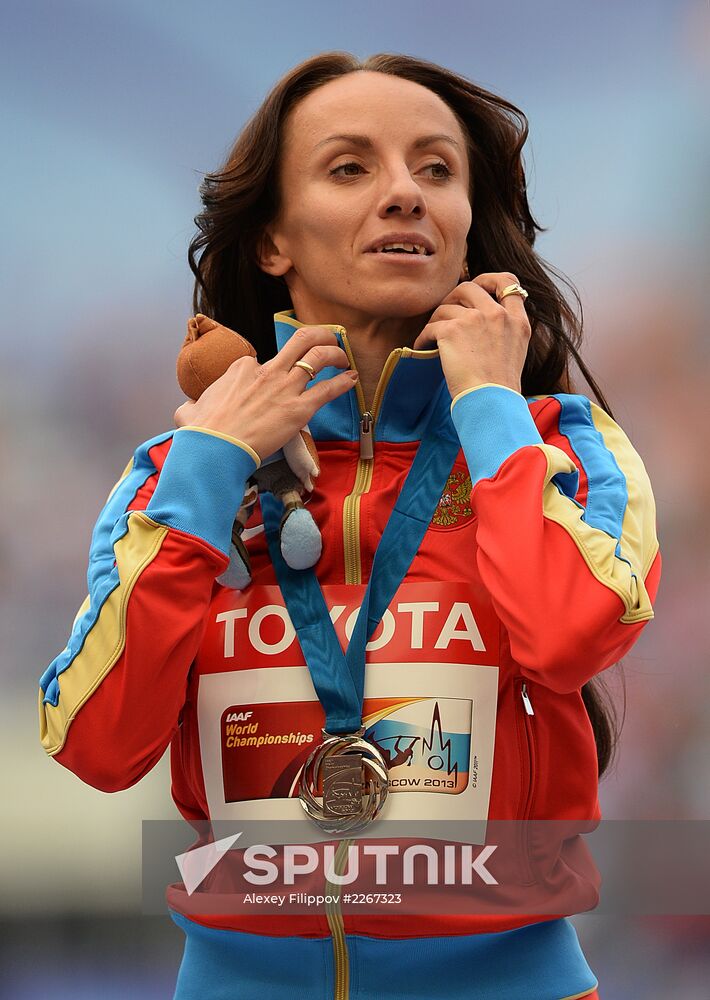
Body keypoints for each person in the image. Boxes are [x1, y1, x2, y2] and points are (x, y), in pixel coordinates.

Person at [38, 51, 662, 1000]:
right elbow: (97, 740)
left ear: (464, 228)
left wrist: (490, 406)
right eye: (349, 168)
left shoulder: (558, 444)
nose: (405, 194)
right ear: (271, 241)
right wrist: (213, 465)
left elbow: (574, 634)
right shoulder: (180, 478)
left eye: (437, 170)